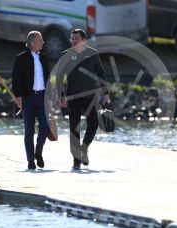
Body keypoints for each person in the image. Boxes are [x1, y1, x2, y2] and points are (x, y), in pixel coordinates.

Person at [56, 29, 110, 170]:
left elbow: (101, 74)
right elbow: (59, 77)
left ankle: (84, 149)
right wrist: (61, 95)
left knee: (93, 124)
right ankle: (76, 161)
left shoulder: (92, 54)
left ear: (83, 40)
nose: (73, 41)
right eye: (72, 39)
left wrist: (106, 93)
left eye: (76, 39)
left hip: (90, 97)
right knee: (74, 128)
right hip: (72, 97)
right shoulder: (66, 55)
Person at [12, 31, 50, 170]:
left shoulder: (44, 58)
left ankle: (38, 153)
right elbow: (15, 79)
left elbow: (49, 78)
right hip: (28, 98)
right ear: (32, 42)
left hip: (42, 97)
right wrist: (17, 96)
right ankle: (30, 161)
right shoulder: (21, 58)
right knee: (29, 130)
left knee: (45, 127)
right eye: (41, 40)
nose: (43, 42)